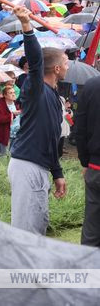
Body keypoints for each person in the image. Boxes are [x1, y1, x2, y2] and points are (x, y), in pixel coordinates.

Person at [8, 5, 68, 235]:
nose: (68, 65)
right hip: (27, 166)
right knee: (26, 231)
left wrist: (58, 173)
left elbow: (51, 138)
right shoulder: (35, 89)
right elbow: (35, 62)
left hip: (41, 166)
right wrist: (27, 26)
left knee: (38, 225)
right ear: (55, 68)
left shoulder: (54, 95)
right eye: (65, 62)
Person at [75, 75, 100, 246]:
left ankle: (89, 271)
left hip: (96, 167)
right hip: (95, 164)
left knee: (92, 228)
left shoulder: (91, 85)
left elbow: (80, 128)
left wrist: (85, 161)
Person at [0, 85, 19, 150]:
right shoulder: (1, 105)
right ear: (5, 95)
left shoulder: (16, 103)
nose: (13, 94)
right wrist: (12, 115)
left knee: (13, 157)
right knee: (3, 157)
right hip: (6, 136)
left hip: (17, 135)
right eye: (10, 93)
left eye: (14, 92)